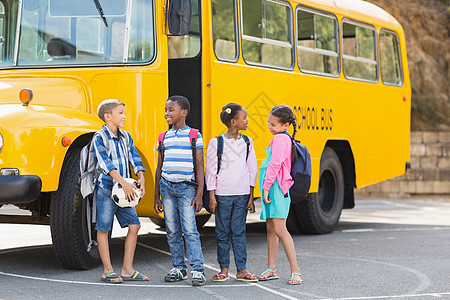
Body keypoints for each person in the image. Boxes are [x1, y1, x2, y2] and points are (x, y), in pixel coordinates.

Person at [93, 99, 148, 283]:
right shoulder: (99, 137)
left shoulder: (126, 136)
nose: (124, 116)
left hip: (125, 191)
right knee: (103, 229)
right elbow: (106, 164)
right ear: (108, 116)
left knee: (135, 226)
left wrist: (141, 176)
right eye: (120, 113)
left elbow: (134, 156)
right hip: (108, 190)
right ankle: (107, 270)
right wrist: (123, 182)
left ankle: (127, 269)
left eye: (124, 112)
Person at [154, 95, 206, 286]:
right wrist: (156, 196)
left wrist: (200, 193)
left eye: (171, 110)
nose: (167, 113)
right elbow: (159, 167)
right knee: (172, 230)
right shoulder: (163, 137)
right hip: (166, 187)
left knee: (190, 230)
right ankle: (178, 268)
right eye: (166, 110)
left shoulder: (194, 135)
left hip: (187, 189)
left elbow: (199, 165)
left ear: (183, 112)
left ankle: (198, 269)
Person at [205, 103, 258, 282]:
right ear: (233, 121)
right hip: (222, 196)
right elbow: (211, 171)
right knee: (222, 232)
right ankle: (224, 269)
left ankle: (242, 269)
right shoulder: (216, 142)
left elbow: (252, 170)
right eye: (244, 118)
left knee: (239, 232)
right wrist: (211, 197)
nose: (247, 120)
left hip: (242, 195)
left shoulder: (247, 142)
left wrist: (251, 198)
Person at [257, 105, 303, 285]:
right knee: (271, 229)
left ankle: (296, 271)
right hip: (272, 188)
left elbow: (275, 165)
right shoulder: (280, 138)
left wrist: (266, 187)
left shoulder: (281, 140)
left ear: (285, 125)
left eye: (273, 124)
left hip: (276, 189)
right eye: (268, 123)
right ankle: (271, 268)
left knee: (280, 230)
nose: (269, 126)